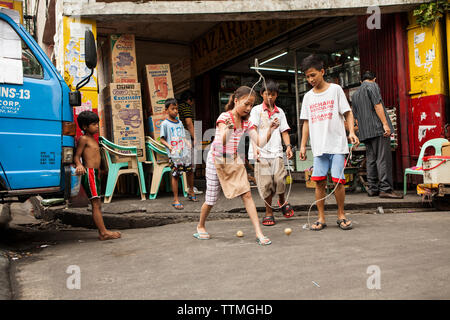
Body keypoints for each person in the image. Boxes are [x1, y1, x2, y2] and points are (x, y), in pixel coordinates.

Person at [194, 86, 280, 245]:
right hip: (217, 160)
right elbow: (222, 142)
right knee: (211, 199)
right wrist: (229, 128)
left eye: (251, 105)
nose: (248, 108)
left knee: (247, 194)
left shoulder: (247, 122)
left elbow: (259, 142)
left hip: (234, 160)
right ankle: (200, 226)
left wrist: (271, 129)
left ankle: (259, 233)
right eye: (246, 104)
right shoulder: (224, 117)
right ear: (236, 100)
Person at [299, 54, 359, 231]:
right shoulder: (308, 97)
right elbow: (306, 123)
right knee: (318, 182)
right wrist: (303, 145)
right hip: (318, 147)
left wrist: (352, 132)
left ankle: (341, 214)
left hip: (337, 145)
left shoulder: (335, 90)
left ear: (322, 72)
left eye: (313, 75)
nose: (310, 79)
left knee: (338, 181)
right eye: (307, 76)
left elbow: (347, 113)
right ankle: (321, 217)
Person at [248, 79, 294, 226]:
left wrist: (288, 147)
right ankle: (269, 212)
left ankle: (281, 200)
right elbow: (252, 130)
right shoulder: (256, 111)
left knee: (280, 180)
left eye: (273, 95)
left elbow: (285, 131)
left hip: (277, 152)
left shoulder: (280, 112)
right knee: (266, 184)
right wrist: (255, 149)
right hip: (261, 153)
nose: (270, 97)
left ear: (276, 95)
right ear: (262, 94)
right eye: (267, 94)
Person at [351, 71, 403, 199]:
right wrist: (385, 124)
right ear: (374, 79)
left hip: (365, 132)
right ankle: (385, 189)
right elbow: (377, 105)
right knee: (383, 159)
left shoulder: (355, 94)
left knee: (371, 160)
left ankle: (372, 188)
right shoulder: (373, 86)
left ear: (360, 81)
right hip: (377, 128)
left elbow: (355, 116)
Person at [74, 111, 121, 241]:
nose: (96, 127)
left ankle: (103, 231)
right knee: (95, 204)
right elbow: (77, 156)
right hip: (89, 173)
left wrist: (101, 170)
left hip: (94, 174)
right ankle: (103, 232)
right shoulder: (84, 139)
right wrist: (79, 165)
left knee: (98, 204)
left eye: (97, 124)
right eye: (94, 124)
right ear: (84, 127)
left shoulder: (93, 139)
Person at [159, 98, 197, 210]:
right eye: (173, 109)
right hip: (174, 154)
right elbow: (162, 139)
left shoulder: (180, 122)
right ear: (166, 110)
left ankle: (191, 191)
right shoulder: (165, 124)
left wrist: (187, 143)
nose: (175, 111)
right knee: (176, 175)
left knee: (190, 172)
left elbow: (182, 136)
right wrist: (169, 146)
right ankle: (176, 199)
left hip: (184, 152)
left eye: (176, 109)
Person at [179, 90, 202, 195]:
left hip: (178, 137)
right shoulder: (186, 107)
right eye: (192, 102)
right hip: (186, 136)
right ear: (189, 100)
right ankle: (190, 187)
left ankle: (186, 186)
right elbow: (189, 123)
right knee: (190, 161)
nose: (192, 104)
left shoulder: (177, 106)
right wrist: (195, 138)